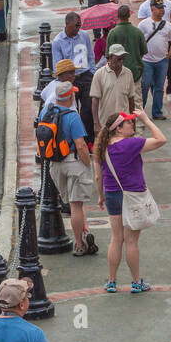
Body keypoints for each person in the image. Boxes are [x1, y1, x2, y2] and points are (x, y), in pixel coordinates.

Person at [94, 108, 166, 294]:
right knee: (131, 241)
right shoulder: (131, 144)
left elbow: (98, 177)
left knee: (116, 239)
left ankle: (111, 282)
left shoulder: (101, 147)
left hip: (112, 194)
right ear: (118, 128)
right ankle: (136, 282)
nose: (132, 124)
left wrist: (101, 196)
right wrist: (147, 120)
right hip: (132, 196)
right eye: (128, 122)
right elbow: (161, 139)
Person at [38, 81, 98, 257]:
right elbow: (81, 145)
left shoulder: (45, 113)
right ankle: (79, 244)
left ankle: (84, 231)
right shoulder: (72, 116)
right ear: (70, 96)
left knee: (73, 204)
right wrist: (87, 163)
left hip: (55, 165)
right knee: (76, 204)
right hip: (73, 162)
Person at [51, 14, 96, 141]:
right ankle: (72, 139)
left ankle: (88, 140)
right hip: (69, 79)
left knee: (88, 110)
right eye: (76, 25)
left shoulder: (84, 36)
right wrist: (64, 81)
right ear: (67, 24)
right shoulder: (58, 41)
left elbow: (90, 56)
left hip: (86, 76)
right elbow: (57, 65)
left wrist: (92, 72)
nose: (79, 27)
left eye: (80, 25)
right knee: (71, 110)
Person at [137, 0, 171, 121]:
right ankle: (141, 111)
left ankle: (157, 112)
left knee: (159, 87)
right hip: (147, 61)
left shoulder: (168, 25)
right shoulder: (143, 24)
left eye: (162, 8)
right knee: (145, 85)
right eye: (158, 8)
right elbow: (138, 40)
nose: (161, 11)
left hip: (162, 61)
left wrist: (169, 54)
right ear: (152, 9)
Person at [90, 45, 136, 132]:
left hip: (124, 123)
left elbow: (131, 99)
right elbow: (95, 100)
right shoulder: (99, 74)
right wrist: (96, 123)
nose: (121, 61)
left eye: (123, 59)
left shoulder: (128, 73)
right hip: (105, 123)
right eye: (118, 59)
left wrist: (133, 120)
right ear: (110, 57)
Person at [105, 3, 147, 84]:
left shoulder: (112, 33)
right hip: (135, 72)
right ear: (129, 15)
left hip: (117, 73)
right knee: (135, 95)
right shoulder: (137, 32)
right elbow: (143, 52)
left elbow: (108, 56)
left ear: (117, 16)